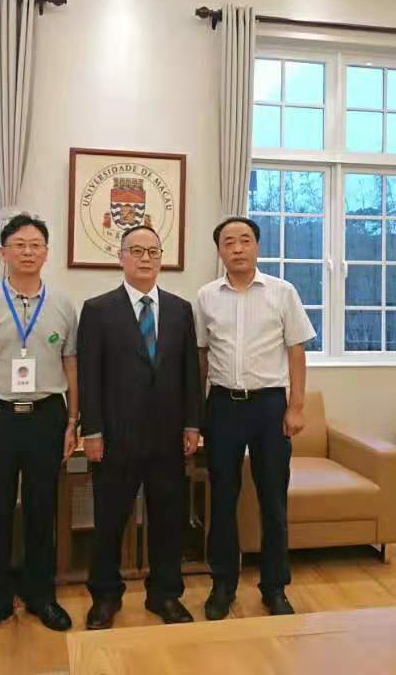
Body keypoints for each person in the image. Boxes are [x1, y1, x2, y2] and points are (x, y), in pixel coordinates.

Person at [0, 213, 79, 642]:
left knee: (43, 511)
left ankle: (41, 596)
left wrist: (72, 421)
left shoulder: (63, 305)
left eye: (35, 245)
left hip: (47, 417)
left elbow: (71, 364)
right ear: (3, 252)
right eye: (19, 245)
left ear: (46, 253)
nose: (28, 252)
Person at [77, 225, 202, 630]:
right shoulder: (97, 310)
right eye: (136, 251)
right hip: (115, 438)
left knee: (168, 521)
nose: (145, 258)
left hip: (168, 438)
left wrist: (192, 424)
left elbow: (190, 372)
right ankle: (105, 597)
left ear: (161, 258)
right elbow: (89, 376)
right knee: (109, 523)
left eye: (153, 251)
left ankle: (165, 595)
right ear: (121, 257)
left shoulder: (181, 309)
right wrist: (91, 431)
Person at [195, 217, 315, 620]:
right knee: (222, 499)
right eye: (229, 242)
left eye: (245, 240)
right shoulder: (206, 297)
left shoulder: (282, 292)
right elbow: (201, 356)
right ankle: (222, 585)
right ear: (219, 251)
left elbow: (296, 351)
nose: (237, 248)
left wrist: (296, 406)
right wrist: (198, 412)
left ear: (256, 246)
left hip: (269, 407)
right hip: (223, 406)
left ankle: (274, 587)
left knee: (273, 500)